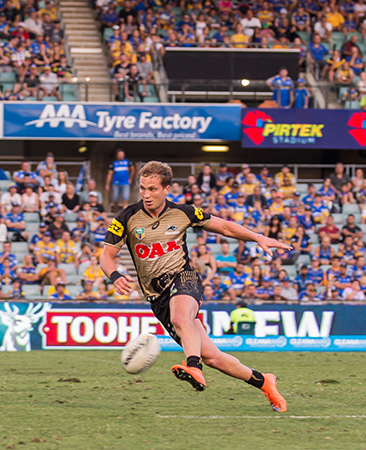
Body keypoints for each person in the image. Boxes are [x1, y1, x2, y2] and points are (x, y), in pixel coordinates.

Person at [100, 161, 288, 412]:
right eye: (143, 188)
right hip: (157, 298)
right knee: (213, 356)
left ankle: (193, 367)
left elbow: (223, 226)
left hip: (183, 278)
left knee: (181, 318)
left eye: (153, 189)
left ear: (166, 189)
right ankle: (264, 381)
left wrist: (258, 237)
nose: (146, 194)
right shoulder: (126, 218)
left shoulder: (183, 212)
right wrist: (114, 275)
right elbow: (106, 257)